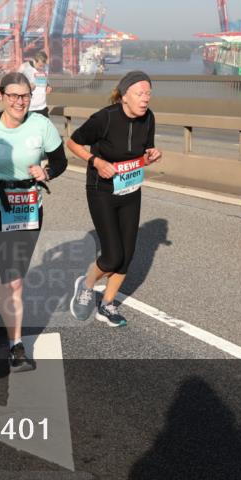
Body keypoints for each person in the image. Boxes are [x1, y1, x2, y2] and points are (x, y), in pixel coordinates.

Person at [0, 72, 66, 371]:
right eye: (12, 95)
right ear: (0, 96)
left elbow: (60, 160)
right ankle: (17, 347)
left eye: (24, 95)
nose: (18, 101)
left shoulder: (41, 125)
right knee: (14, 279)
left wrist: (46, 173)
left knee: (14, 275)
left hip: (28, 209)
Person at [65, 71, 161, 327]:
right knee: (111, 257)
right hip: (102, 191)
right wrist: (96, 161)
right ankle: (85, 285)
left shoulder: (148, 118)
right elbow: (72, 142)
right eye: (140, 94)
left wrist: (150, 156)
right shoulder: (104, 119)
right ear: (124, 96)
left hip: (130, 191)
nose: (145, 99)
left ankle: (106, 305)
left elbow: (143, 153)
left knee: (127, 255)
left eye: (148, 94)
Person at [18, 51, 51, 118]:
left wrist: (48, 86)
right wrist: (27, 86)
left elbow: (45, 81)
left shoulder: (46, 67)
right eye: (40, 66)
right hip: (30, 107)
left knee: (45, 127)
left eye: (43, 66)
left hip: (42, 107)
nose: (42, 68)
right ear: (34, 61)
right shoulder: (24, 67)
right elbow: (15, 82)